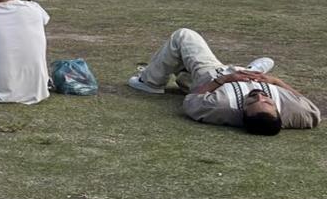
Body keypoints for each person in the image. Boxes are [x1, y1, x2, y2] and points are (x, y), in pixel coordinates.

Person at [127, 29, 320, 133]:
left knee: (184, 36)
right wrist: (274, 81)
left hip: (214, 75)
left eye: (252, 101)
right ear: (278, 112)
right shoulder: (300, 114)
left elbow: (192, 100)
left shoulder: (220, 106)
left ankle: (150, 82)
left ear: (242, 111)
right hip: (249, 76)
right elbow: (306, 103)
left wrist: (224, 80)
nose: (260, 96)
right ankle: (250, 71)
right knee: (268, 61)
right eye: (267, 101)